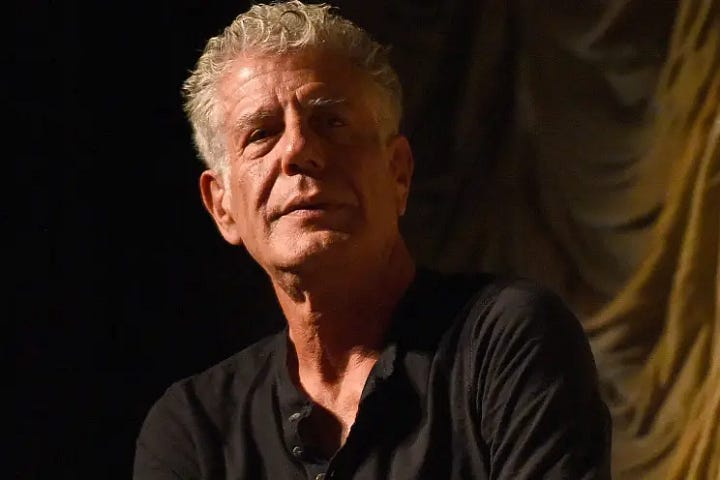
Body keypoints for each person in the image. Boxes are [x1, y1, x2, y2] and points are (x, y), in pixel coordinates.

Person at [133, 2, 612, 479]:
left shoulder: (506, 343)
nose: (298, 149)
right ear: (222, 206)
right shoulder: (194, 429)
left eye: (331, 122)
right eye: (261, 133)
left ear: (398, 173)